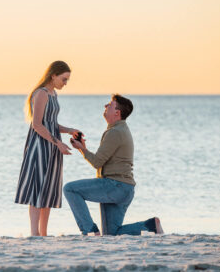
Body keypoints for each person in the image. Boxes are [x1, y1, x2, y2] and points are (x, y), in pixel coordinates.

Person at [64, 94, 164, 236]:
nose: (105, 106)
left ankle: (90, 230)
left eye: (110, 105)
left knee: (70, 189)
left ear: (117, 112)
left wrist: (82, 149)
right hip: (124, 188)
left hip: (115, 186)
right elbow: (102, 160)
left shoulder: (115, 132)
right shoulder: (120, 130)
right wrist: (83, 148)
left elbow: (97, 162)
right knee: (111, 234)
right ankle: (150, 225)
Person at [15, 61, 81, 236]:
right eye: (64, 79)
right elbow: (37, 125)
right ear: (53, 75)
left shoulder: (53, 94)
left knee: (48, 189)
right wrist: (57, 143)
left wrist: (69, 130)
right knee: (37, 188)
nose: (65, 83)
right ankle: (34, 233)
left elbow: (51, 123)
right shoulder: (41, 94)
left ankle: (43, 233)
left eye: (67, 80)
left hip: (52, 146)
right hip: (39, 147)